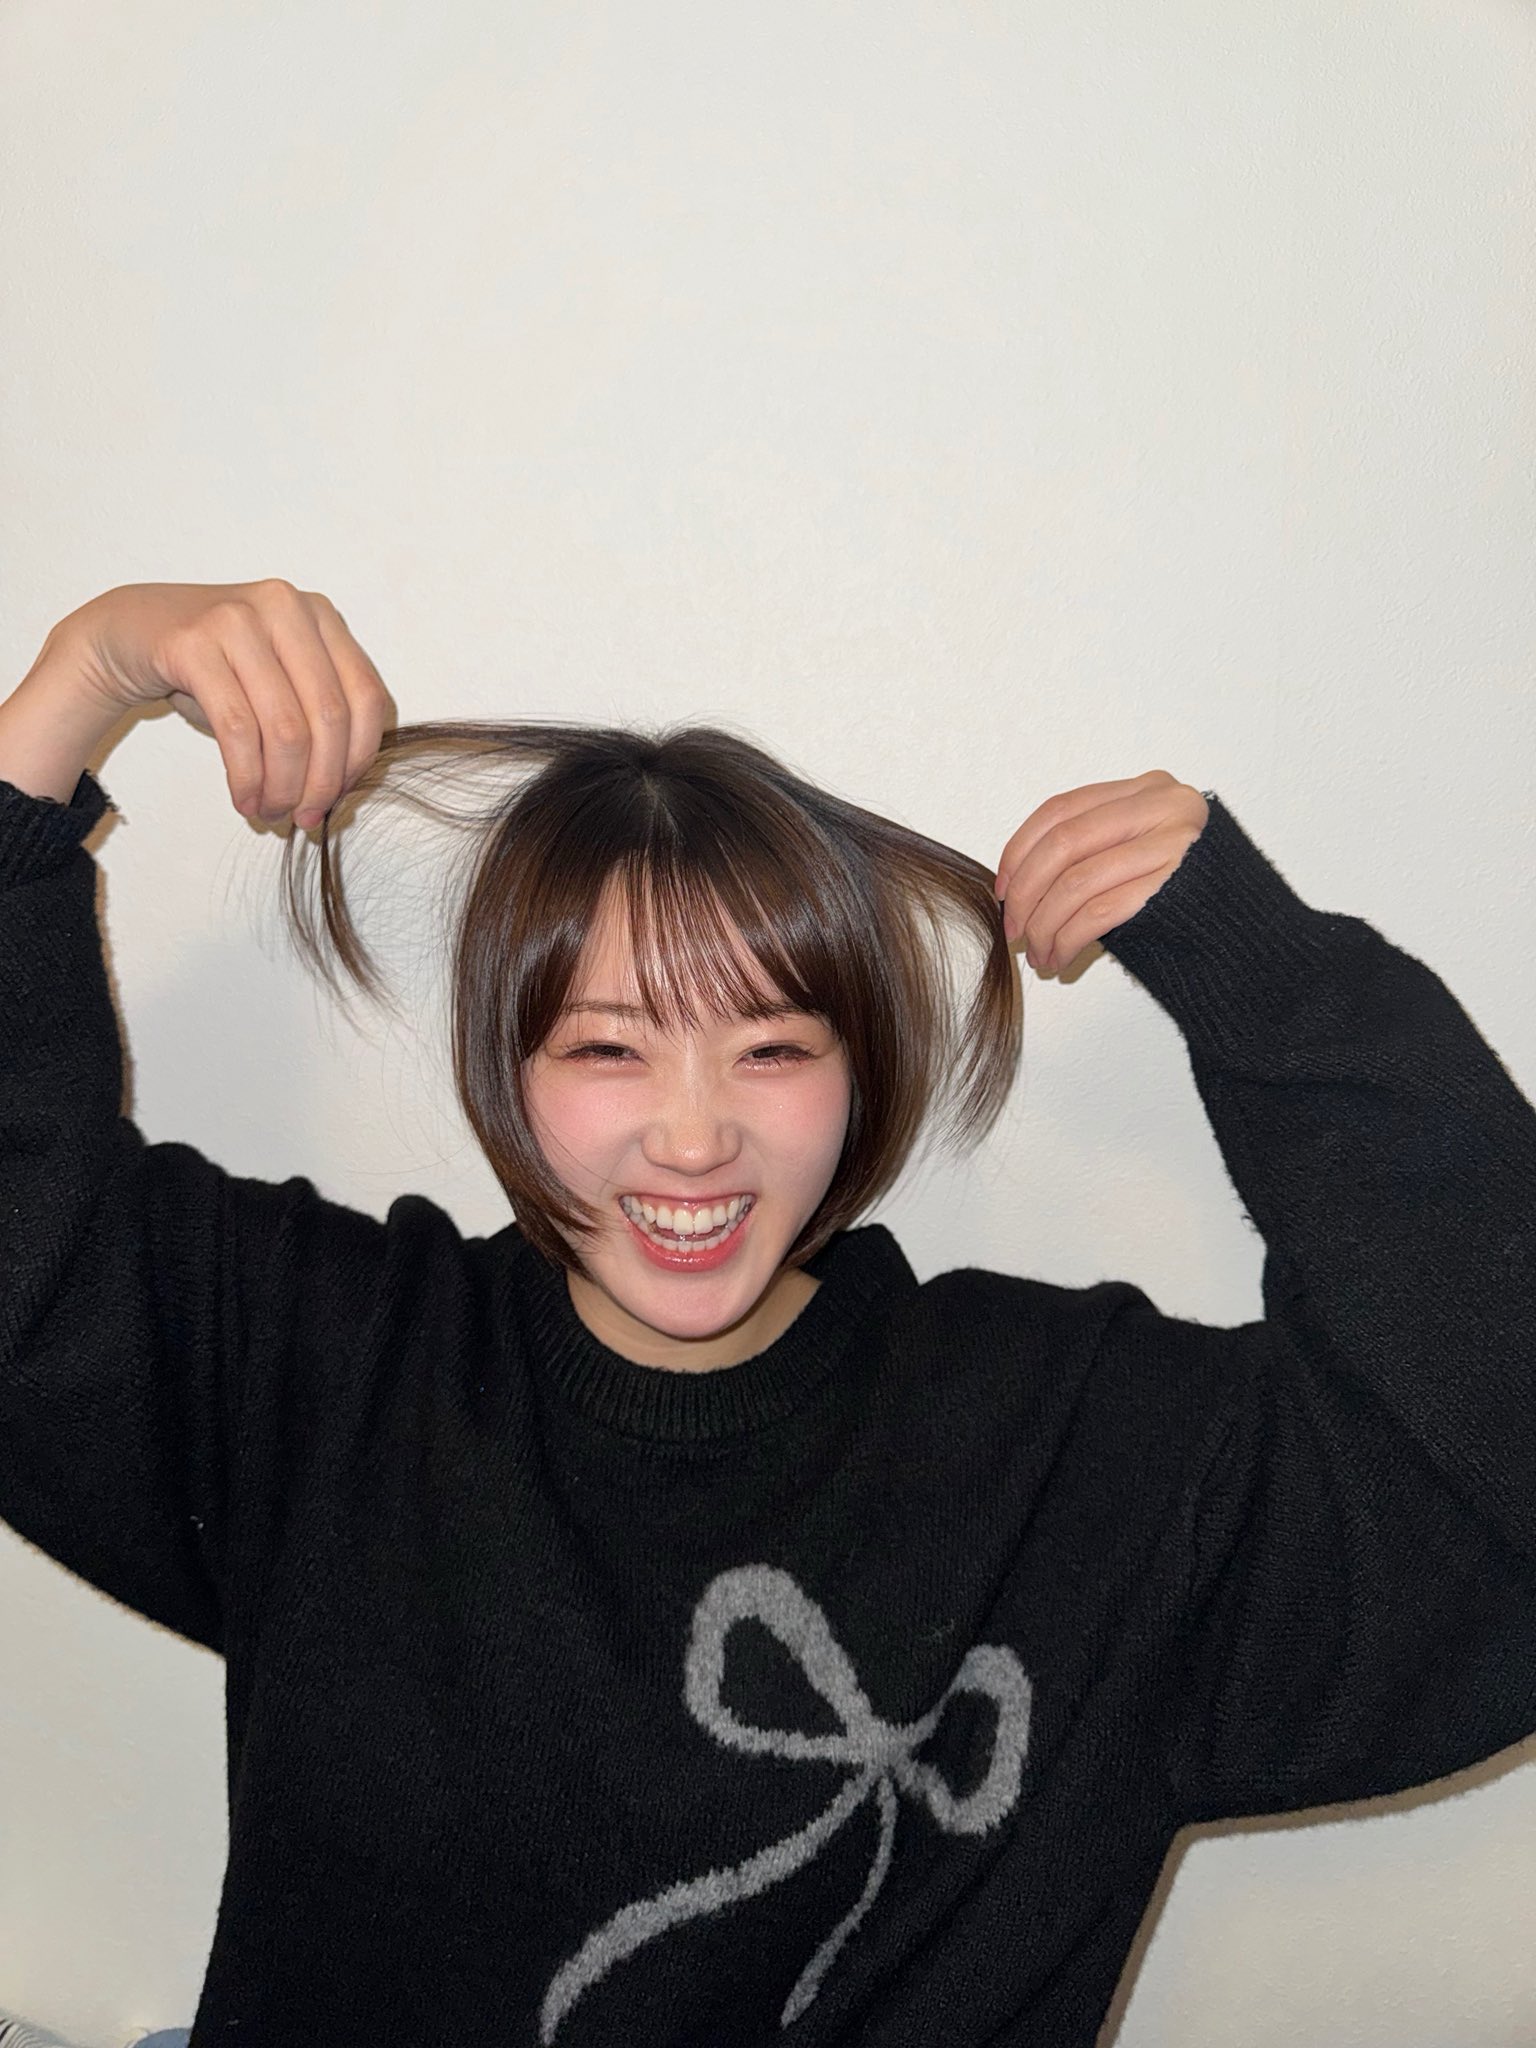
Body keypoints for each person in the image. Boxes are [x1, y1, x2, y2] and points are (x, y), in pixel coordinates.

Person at [1, 579, 1532, 2047]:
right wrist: (83, 675)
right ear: (506, 1073)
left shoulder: (1074, 1454)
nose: (693, 1137)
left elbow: (1487, 1509)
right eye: (608, 1048)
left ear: (862, 1072)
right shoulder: (329, 1369)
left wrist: (1271, 980)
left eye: (774, 1049)